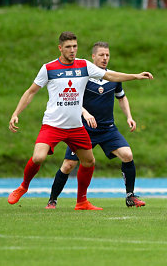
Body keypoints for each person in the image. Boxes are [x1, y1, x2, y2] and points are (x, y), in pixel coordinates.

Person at [8, 32, 153, 210]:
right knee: (39, 157)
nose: (72, 50)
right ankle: (23, 187)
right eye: (68, 47)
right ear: (60, 48)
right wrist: (16, 113)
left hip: (76, 127)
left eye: (75, 46)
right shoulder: (49, 68)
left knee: (89, 162)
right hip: (53, 125)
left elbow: (111, 76)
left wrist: (136, 76)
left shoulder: (84, 66)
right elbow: (31, 92)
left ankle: (82, 201)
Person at [45, 42, 146, 209]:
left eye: (107, 55)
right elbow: (72, 99)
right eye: (101, 55)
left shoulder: (113, 77)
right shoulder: (82, 77)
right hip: (83, 129)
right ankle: (52, 200)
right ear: (93, 57)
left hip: (107, 129)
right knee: (68, 165)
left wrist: (129, 116)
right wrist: (85, 113)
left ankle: (130, 196)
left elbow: (121, 97)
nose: (105, 58)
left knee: (127, 154)